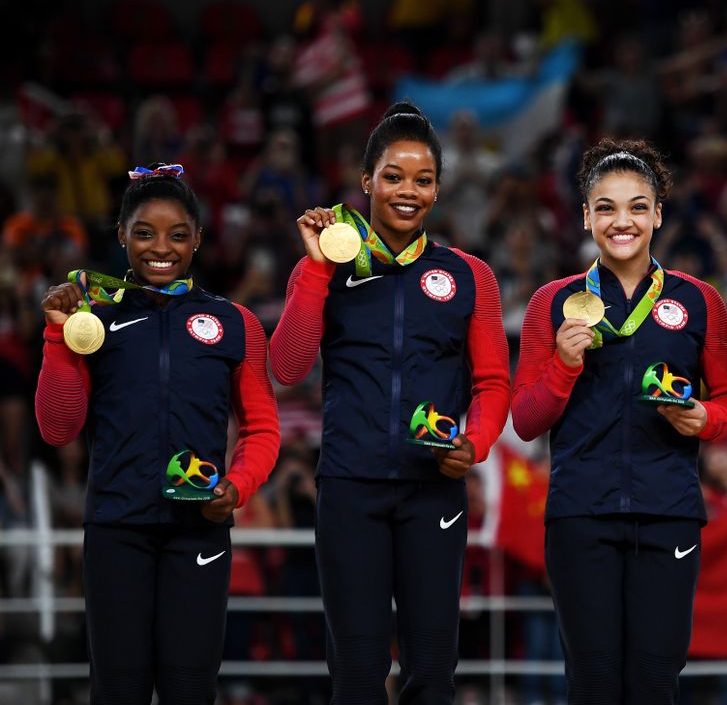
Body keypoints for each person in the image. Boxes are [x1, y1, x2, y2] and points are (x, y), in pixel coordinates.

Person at [269, 102, 511, 705]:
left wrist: (473, 444)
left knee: (431, 671)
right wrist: (316, 267)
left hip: (434, 488)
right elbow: (287, 365)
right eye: (394, 176)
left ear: (438, 188)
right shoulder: (331, 266)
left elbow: (493, 385)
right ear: (367, 182)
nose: (409, 191)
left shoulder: (468, 274)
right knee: (356, 672)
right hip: (350, 487)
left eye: (424, 179)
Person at [511, 139, 727, 704]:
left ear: (658, 214)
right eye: (609, 207)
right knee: (592, 683)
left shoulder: (698, 301)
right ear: (588, 215)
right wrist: (564, 367)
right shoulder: (552, 301)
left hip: (668, 511)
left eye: (638, 206)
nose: (624, 221)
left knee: (654, 682)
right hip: (580, 514)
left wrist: (703, 418)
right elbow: (524, 420)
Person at [34, 163, 280, 704]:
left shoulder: (235, 323)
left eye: (176, 234)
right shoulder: (91, 320)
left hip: (199, 530)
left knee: (189, 691)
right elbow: (58, 428)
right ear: (122, 236)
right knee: (118, 690)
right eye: (144, 233)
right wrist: (57, 339)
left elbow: (262, 429)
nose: (159, 248)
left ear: (198, 238)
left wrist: (236, 489)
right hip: (116, 529)